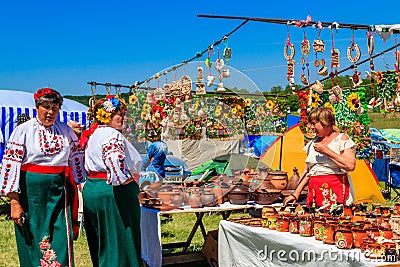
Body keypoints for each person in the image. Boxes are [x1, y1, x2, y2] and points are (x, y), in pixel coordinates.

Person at [0, 87, 85, 267]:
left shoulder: (66, 132)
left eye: (54, 108)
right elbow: (11, 165)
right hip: (31, 194)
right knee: (32, 233)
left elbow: (77, 161)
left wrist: (81, 185)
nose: (50, 112)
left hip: (58, 193)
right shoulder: (23, 131)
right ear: (37, 107)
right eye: (46, 107)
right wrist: (14, 203)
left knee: (61, 233)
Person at [81, 94, 142, 266]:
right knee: (120, 241)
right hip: (113, 193)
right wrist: (124, 180)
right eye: (119, 114)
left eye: (123, 114)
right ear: (106, 115)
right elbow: (114, 160)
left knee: (103, 241)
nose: (123, 118)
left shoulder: (94, 134)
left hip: (93, 190)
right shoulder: (111, 134)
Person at [283, 106, 356, 209]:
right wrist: (296, 193)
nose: (311, 127)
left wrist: (327, 151)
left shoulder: (341, 139)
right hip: (315, 191)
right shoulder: (313, 143)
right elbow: (309, 170)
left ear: (325, 122)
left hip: (335, 189)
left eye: (314, 123)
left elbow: (350, 165)